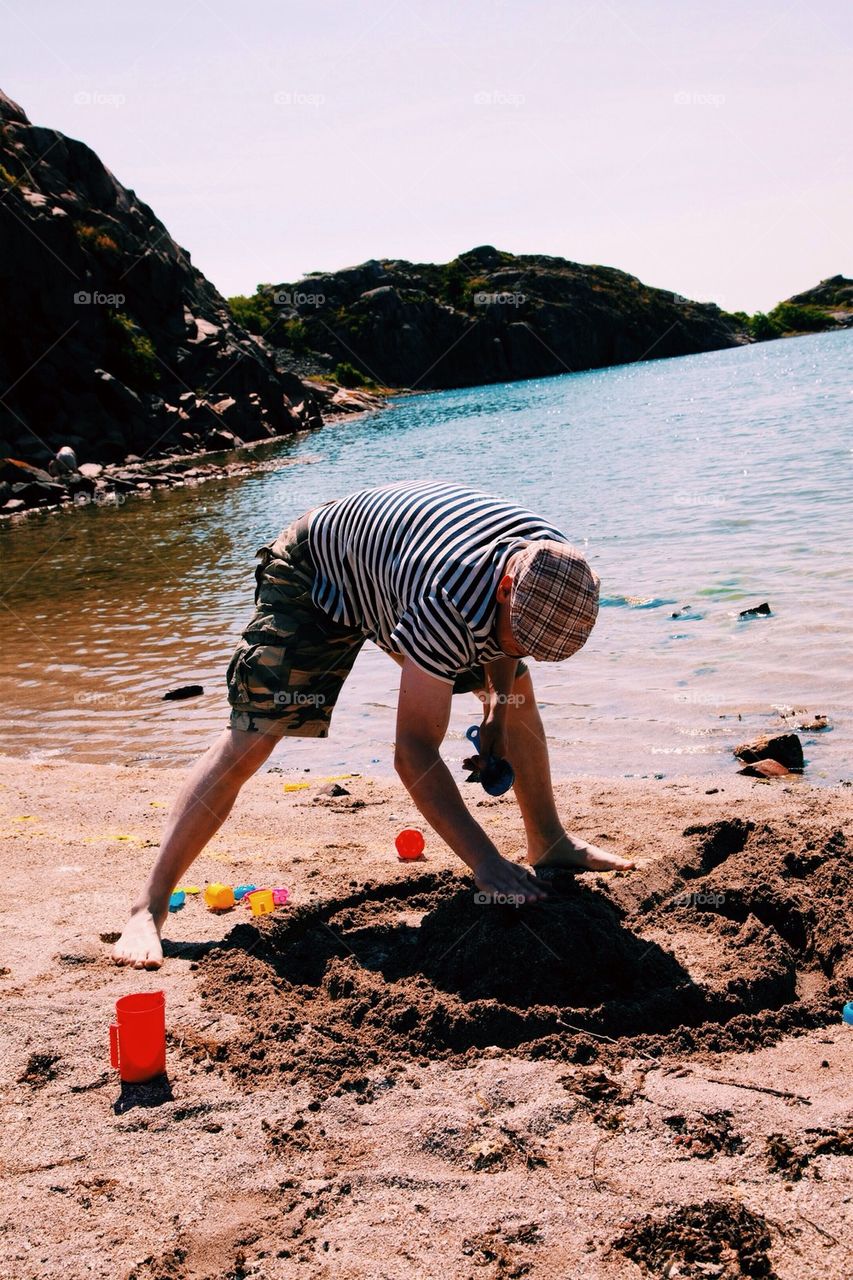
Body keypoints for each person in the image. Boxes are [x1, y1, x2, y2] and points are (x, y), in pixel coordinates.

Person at [113, 479, 634, 969]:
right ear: (504, 587)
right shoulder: (446, 602)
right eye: (519, 637)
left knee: (517, 693)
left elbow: (507, 641)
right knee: (256, 735)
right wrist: (485, 863)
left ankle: (548, 842)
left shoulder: (558, 567)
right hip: (316, 571)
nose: (522, 650)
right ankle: (149, 907)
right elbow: (413, 751)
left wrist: (497, 708)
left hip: (393, 575)